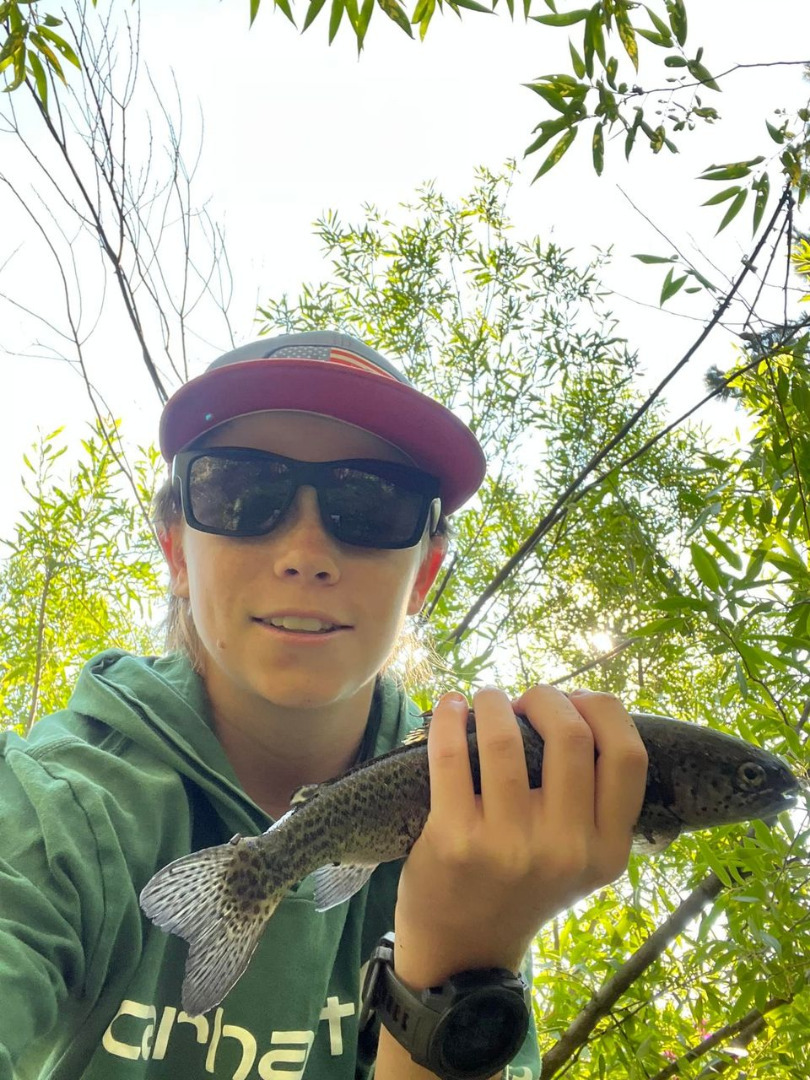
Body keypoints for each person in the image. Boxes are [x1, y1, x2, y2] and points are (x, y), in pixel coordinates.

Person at [0, 331, 649, 1079]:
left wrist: (456, 968)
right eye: (241, 493)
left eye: (368, 503)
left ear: (422, 579)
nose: (305, 550)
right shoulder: (52, 812)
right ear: (178, 551)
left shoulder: (480, 826)